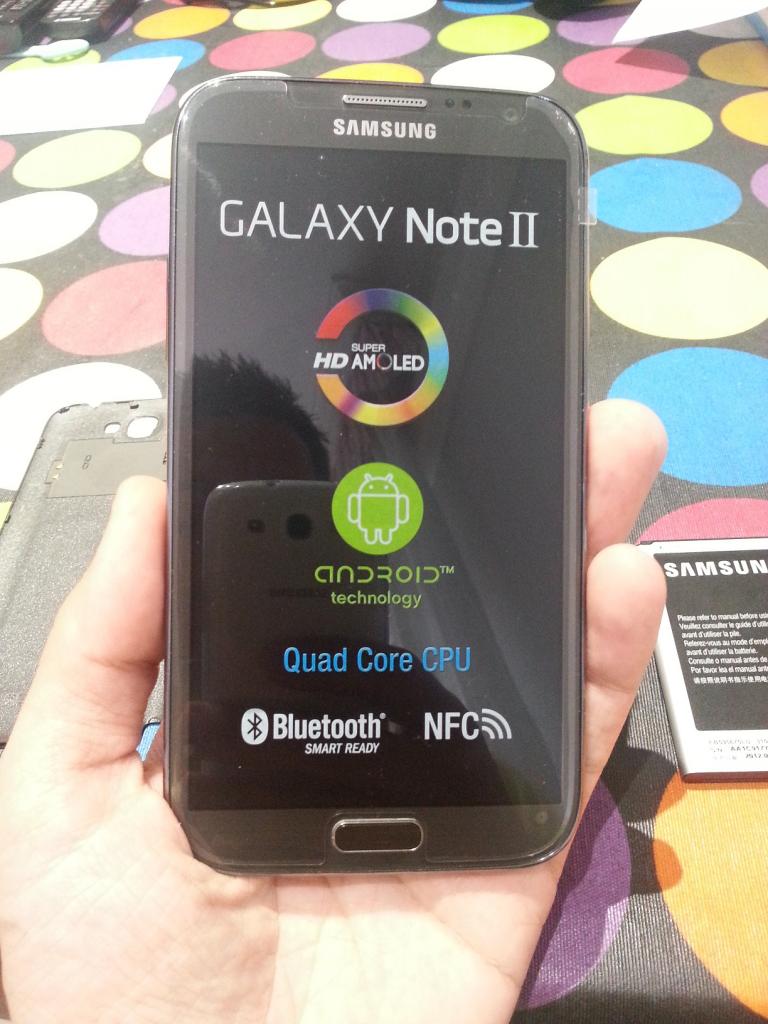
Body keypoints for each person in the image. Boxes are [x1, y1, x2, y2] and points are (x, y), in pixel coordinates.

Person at [0, 399, 667, 1024]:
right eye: (222, 514)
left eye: (298, 505)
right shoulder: (173, 821)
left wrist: (476, 776)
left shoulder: (435, 724)